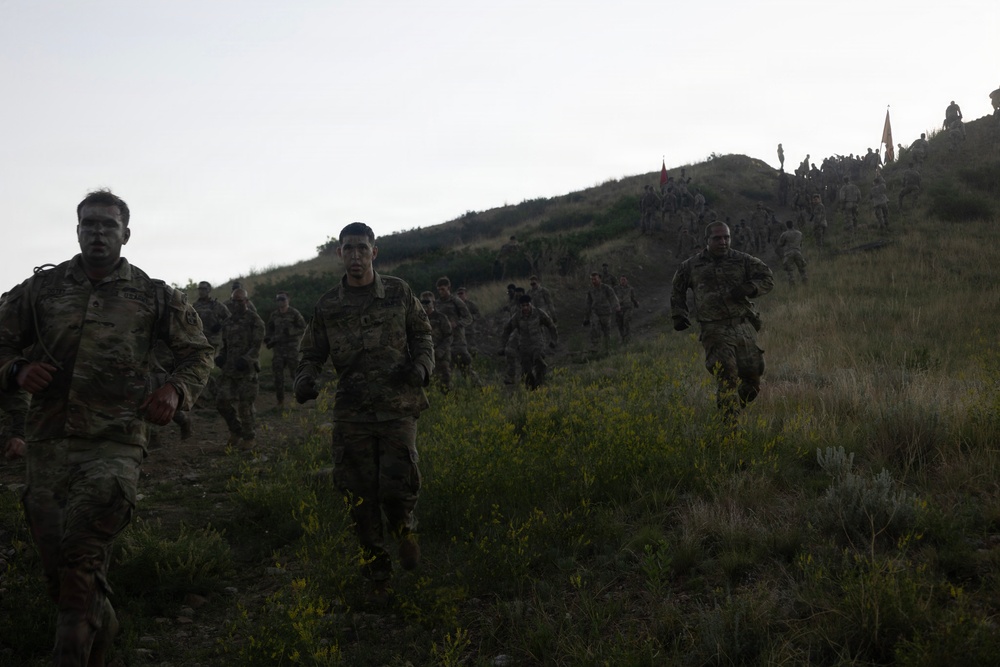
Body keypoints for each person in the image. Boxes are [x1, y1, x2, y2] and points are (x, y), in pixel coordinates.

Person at [0, 188, 213, 666]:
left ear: (126, 234)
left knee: (81, 561)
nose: (98, 233)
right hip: (48, 444)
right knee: (59, 573)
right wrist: (15, 370)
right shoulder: (40, 292)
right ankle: (104, 627)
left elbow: (197, 353)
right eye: (89, 224)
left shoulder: (154, 294)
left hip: (115, 444)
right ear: (77, 231)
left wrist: (175, 392)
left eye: (108, 225)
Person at [294, 222, 433, 591]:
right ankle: (376, 569)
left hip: (397, 405)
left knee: (397, 485)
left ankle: (404, 530)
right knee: (357, 492)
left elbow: (422, 333)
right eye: (348, 249)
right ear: (339, 254)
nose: (355, 256)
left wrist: (422, 366)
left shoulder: (398, 292)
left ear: (374, 252)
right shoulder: (328, 305)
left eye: (362, 248)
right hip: (352, 410)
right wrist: (304, 378)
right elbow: (312, 352)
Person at [671, 221, 774, 414]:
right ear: (707, 240)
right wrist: (679, 313)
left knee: (753, 379)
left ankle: (734, 407)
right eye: (717, 238)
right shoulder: (691, 265)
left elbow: (767, 277)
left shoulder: (742, 260)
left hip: (742, 325)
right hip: (714, 329)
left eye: (726, 237)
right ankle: (728, 430)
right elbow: (677, 288)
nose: (723, 242)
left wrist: (751, 287)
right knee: (727, 377)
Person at [216, 288, 265, 449]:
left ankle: (249, 437)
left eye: (240, 301)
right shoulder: (228, 322)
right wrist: (221, 356)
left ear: (246, 301)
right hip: (229, 370)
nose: (236, 304)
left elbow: (257, 346)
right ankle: (236, 431)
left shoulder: (254, 320)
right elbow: (225, 345)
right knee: (221, 402)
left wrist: (247, 359)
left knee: (245, 406)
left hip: (247, 371)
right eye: (233, 301)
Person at [499, 295, 558, 389]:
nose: (525, 307)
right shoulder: (517, 316)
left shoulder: (538, 313)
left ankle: (540, 384)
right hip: (524, 346)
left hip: (538, 343)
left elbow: (551, 325)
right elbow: (507, 329)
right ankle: (531, 388)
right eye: (523, 306)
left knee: (539, 361)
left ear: (531, 304)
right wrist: (502, 346)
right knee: (526, 369)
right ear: (520, 306)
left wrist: (554, 340)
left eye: (527, 305)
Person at [264, 291, 306, 410]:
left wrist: (291, 332)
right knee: (278, 376)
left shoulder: (294, 313)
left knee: (295, 375)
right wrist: (268, 339)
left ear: (288, 300)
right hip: (278, 349)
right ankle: (280, 401)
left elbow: (303, 327)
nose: (281, 302)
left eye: (283, 299)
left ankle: (301, 398)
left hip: (292, 348)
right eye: (279, 300)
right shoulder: (275, 315)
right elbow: (269, 328)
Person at [434, 277, 476, 382]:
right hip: (444, 341)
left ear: (448, 288)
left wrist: (457, 323)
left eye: (442, 289)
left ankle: (478, 388)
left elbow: (468, 318)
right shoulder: (437, 304)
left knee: (466, 368)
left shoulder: (456, 301)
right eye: (439, 290)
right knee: (445, 371)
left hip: (457, 340)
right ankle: (451, 393)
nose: (441, 292)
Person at [420, 291, 453, 393]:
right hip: (425, 356)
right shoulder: (419, 318)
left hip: (441, 356)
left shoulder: (441, 317)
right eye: (423, 302)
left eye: (427, 301)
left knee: (445, 382)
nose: (425, 304)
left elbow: (449, 336)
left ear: (433, 302)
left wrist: (441, 350)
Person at [584, 272, 621, 354]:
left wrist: (616, 306)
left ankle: (608, 348)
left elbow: (613, 297)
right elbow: (588, 303)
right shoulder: (591, 290)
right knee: (594, 327)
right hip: (595, 312)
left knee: (606, 331)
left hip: (605, 312)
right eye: (592, 279)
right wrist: (586, 317)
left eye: (595, 279)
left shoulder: (606, 288)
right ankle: (595, 346)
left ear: (599, 279)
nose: (593, 281)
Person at [776, 220, 808, 286]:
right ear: (793, 225)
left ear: (786, 226)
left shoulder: (784, 234)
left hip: (788, 253)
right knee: (802, 268)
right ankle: (805, 281)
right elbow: (801, 243)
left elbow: (780, 244)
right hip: (797, 252)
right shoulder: (799, 233)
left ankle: (792, 283)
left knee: (789, 271)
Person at [614, 275, 640, 344]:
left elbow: (632, 298)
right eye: (621, 280)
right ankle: (622, 338)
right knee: (620, 324)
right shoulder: (616, 288)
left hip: (628, 307)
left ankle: (628, 338)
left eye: (624, 280)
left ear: (627, 280)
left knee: (626, 321)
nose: (623, 281)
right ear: (619, 281)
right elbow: (612, 297)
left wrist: (636, 303)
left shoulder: (630, 289)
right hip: (619, 308)